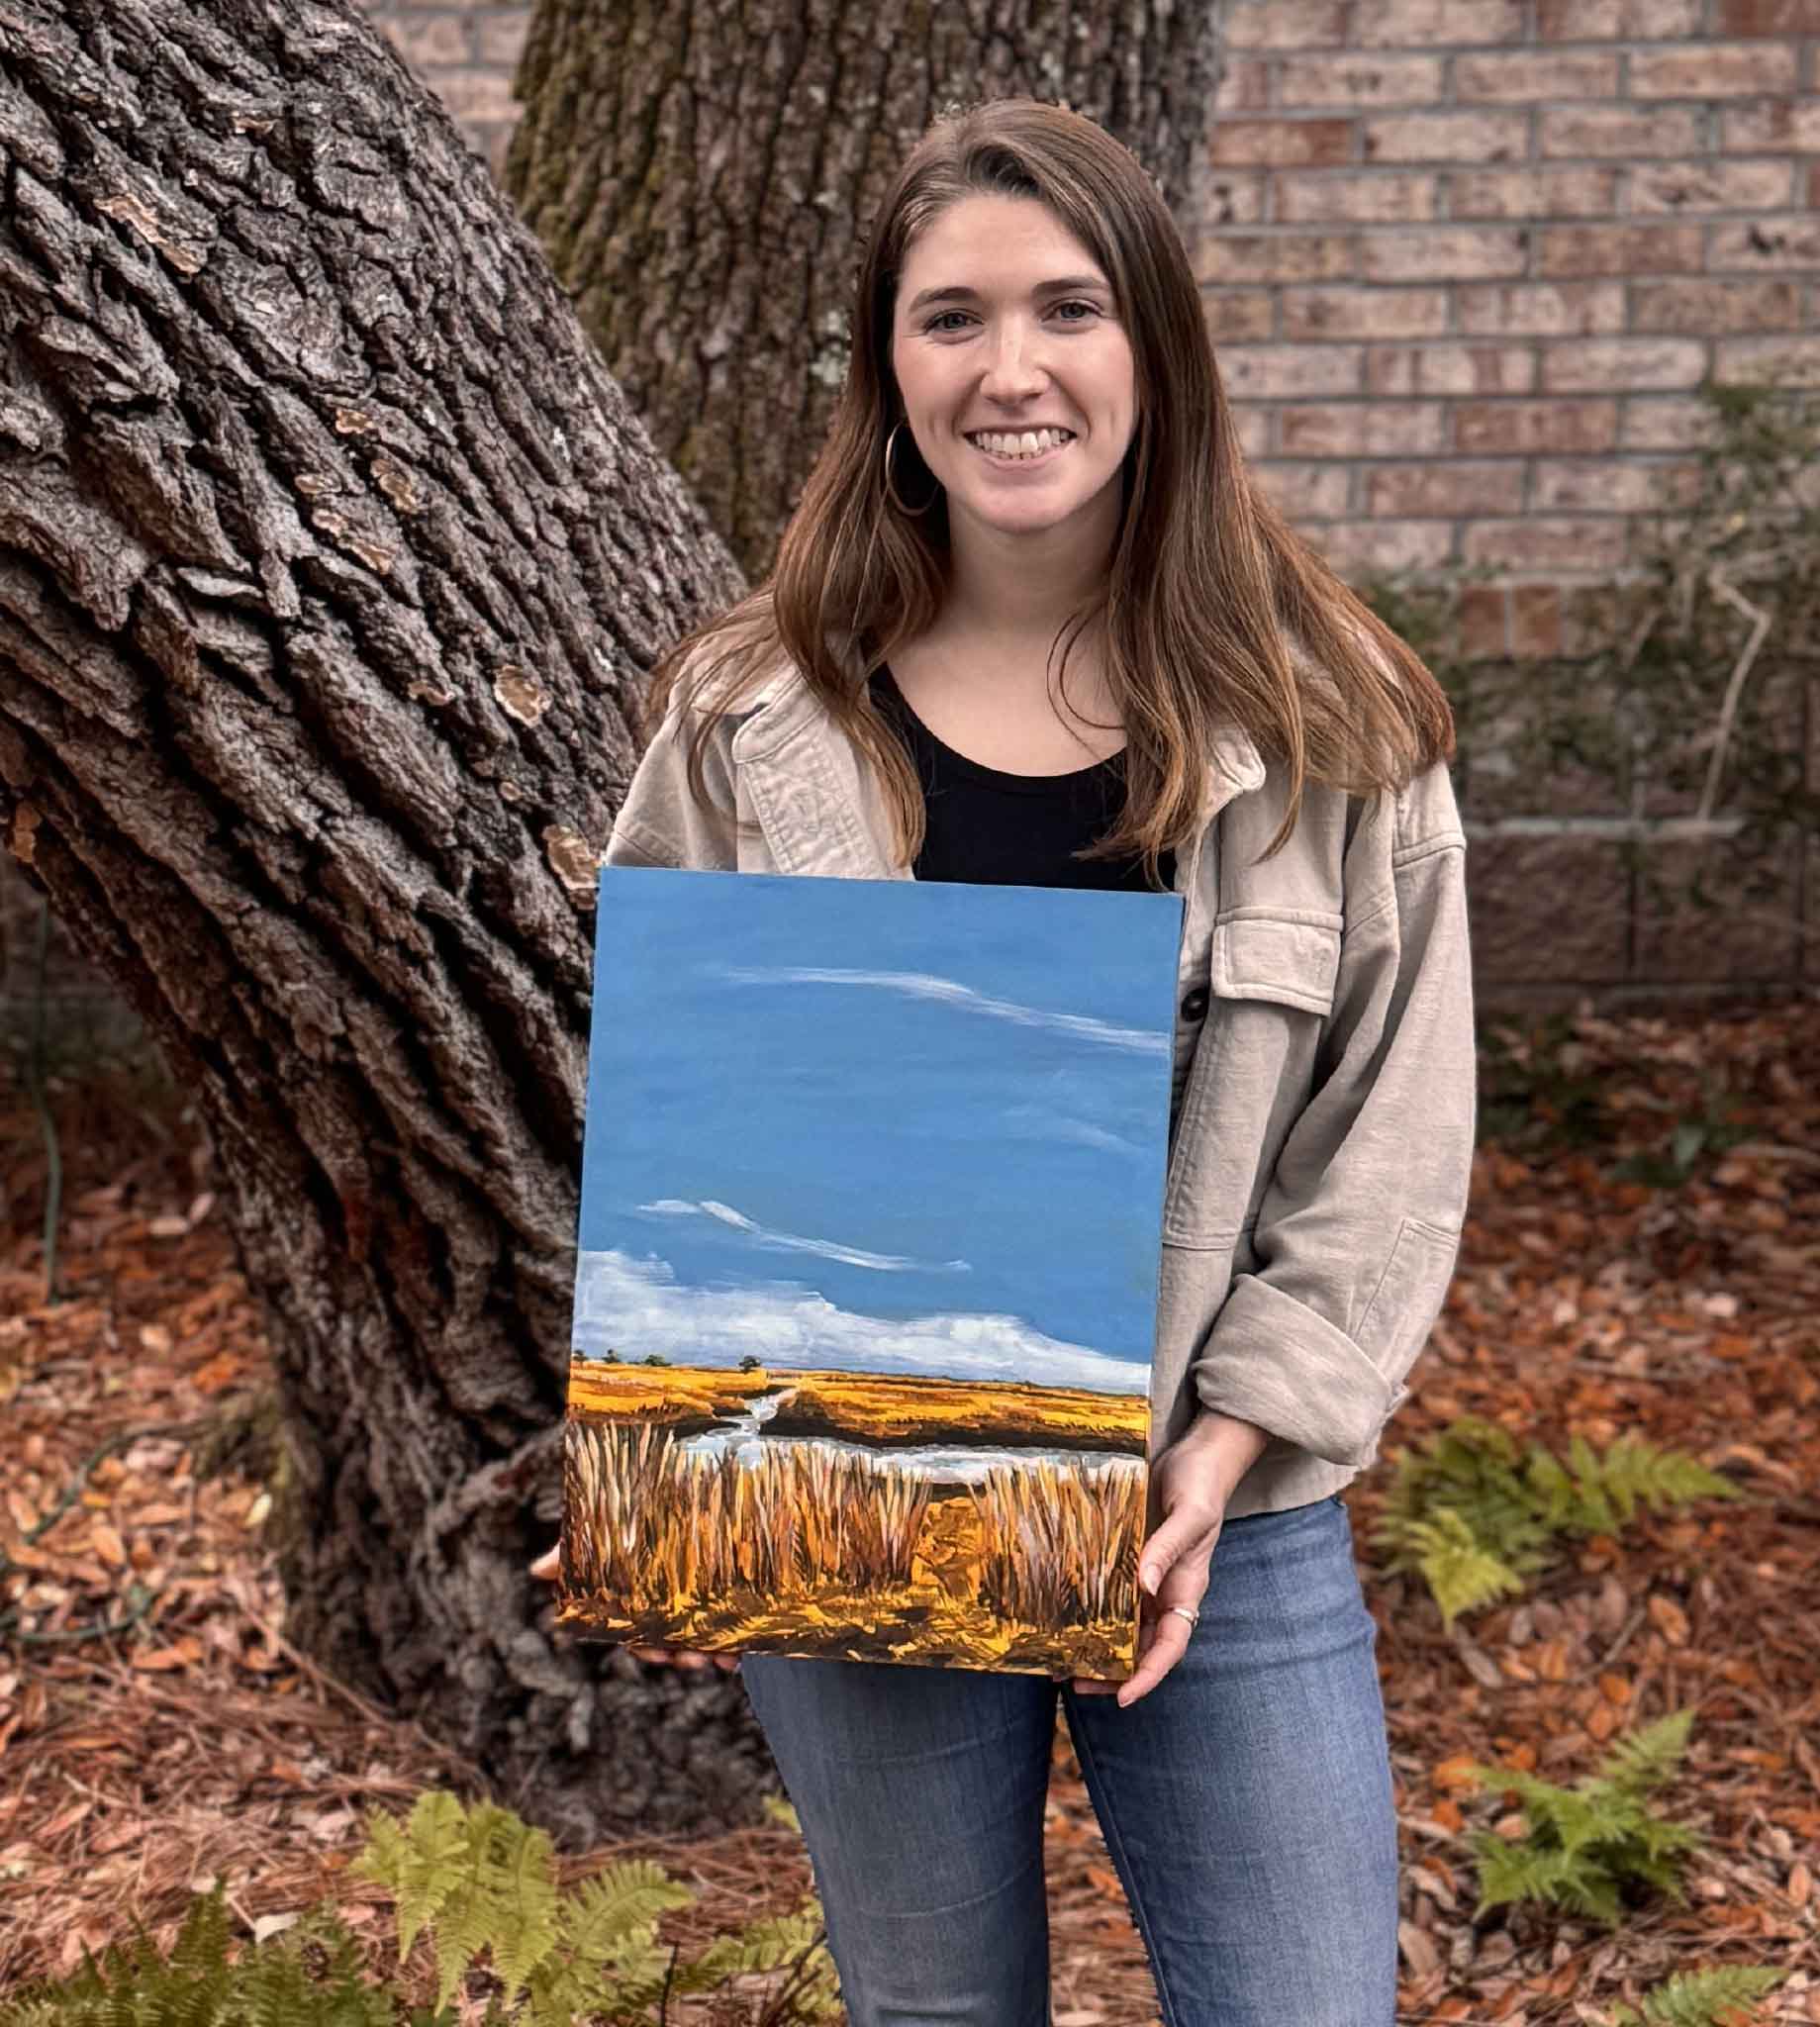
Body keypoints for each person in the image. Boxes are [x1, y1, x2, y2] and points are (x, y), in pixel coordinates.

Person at [537, 97, 1475, 2027]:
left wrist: (1232, 1444)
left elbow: (1392, 1140)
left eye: (1067, 308)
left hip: (1221, 1509)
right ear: (887, 365)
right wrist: (690, 1433)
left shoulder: (1330, 725)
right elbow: (669, 1092)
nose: (1011, 368)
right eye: (950, 317)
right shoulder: (749, 720)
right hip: (865, 1491)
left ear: (1155, 349)